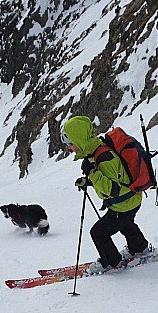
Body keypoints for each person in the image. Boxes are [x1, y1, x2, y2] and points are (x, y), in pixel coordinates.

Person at [62, 115, 151, 274]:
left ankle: (111, 262)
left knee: (98, 233)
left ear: (79, 140)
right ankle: (140, 248)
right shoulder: (96, 151)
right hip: (131, 200)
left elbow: (110, 190)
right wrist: (88, 181)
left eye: (70, 144)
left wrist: (92, 173)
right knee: (126, 223)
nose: (69, 148)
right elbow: (113, 178)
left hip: (123, 204)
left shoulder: (103, 157)